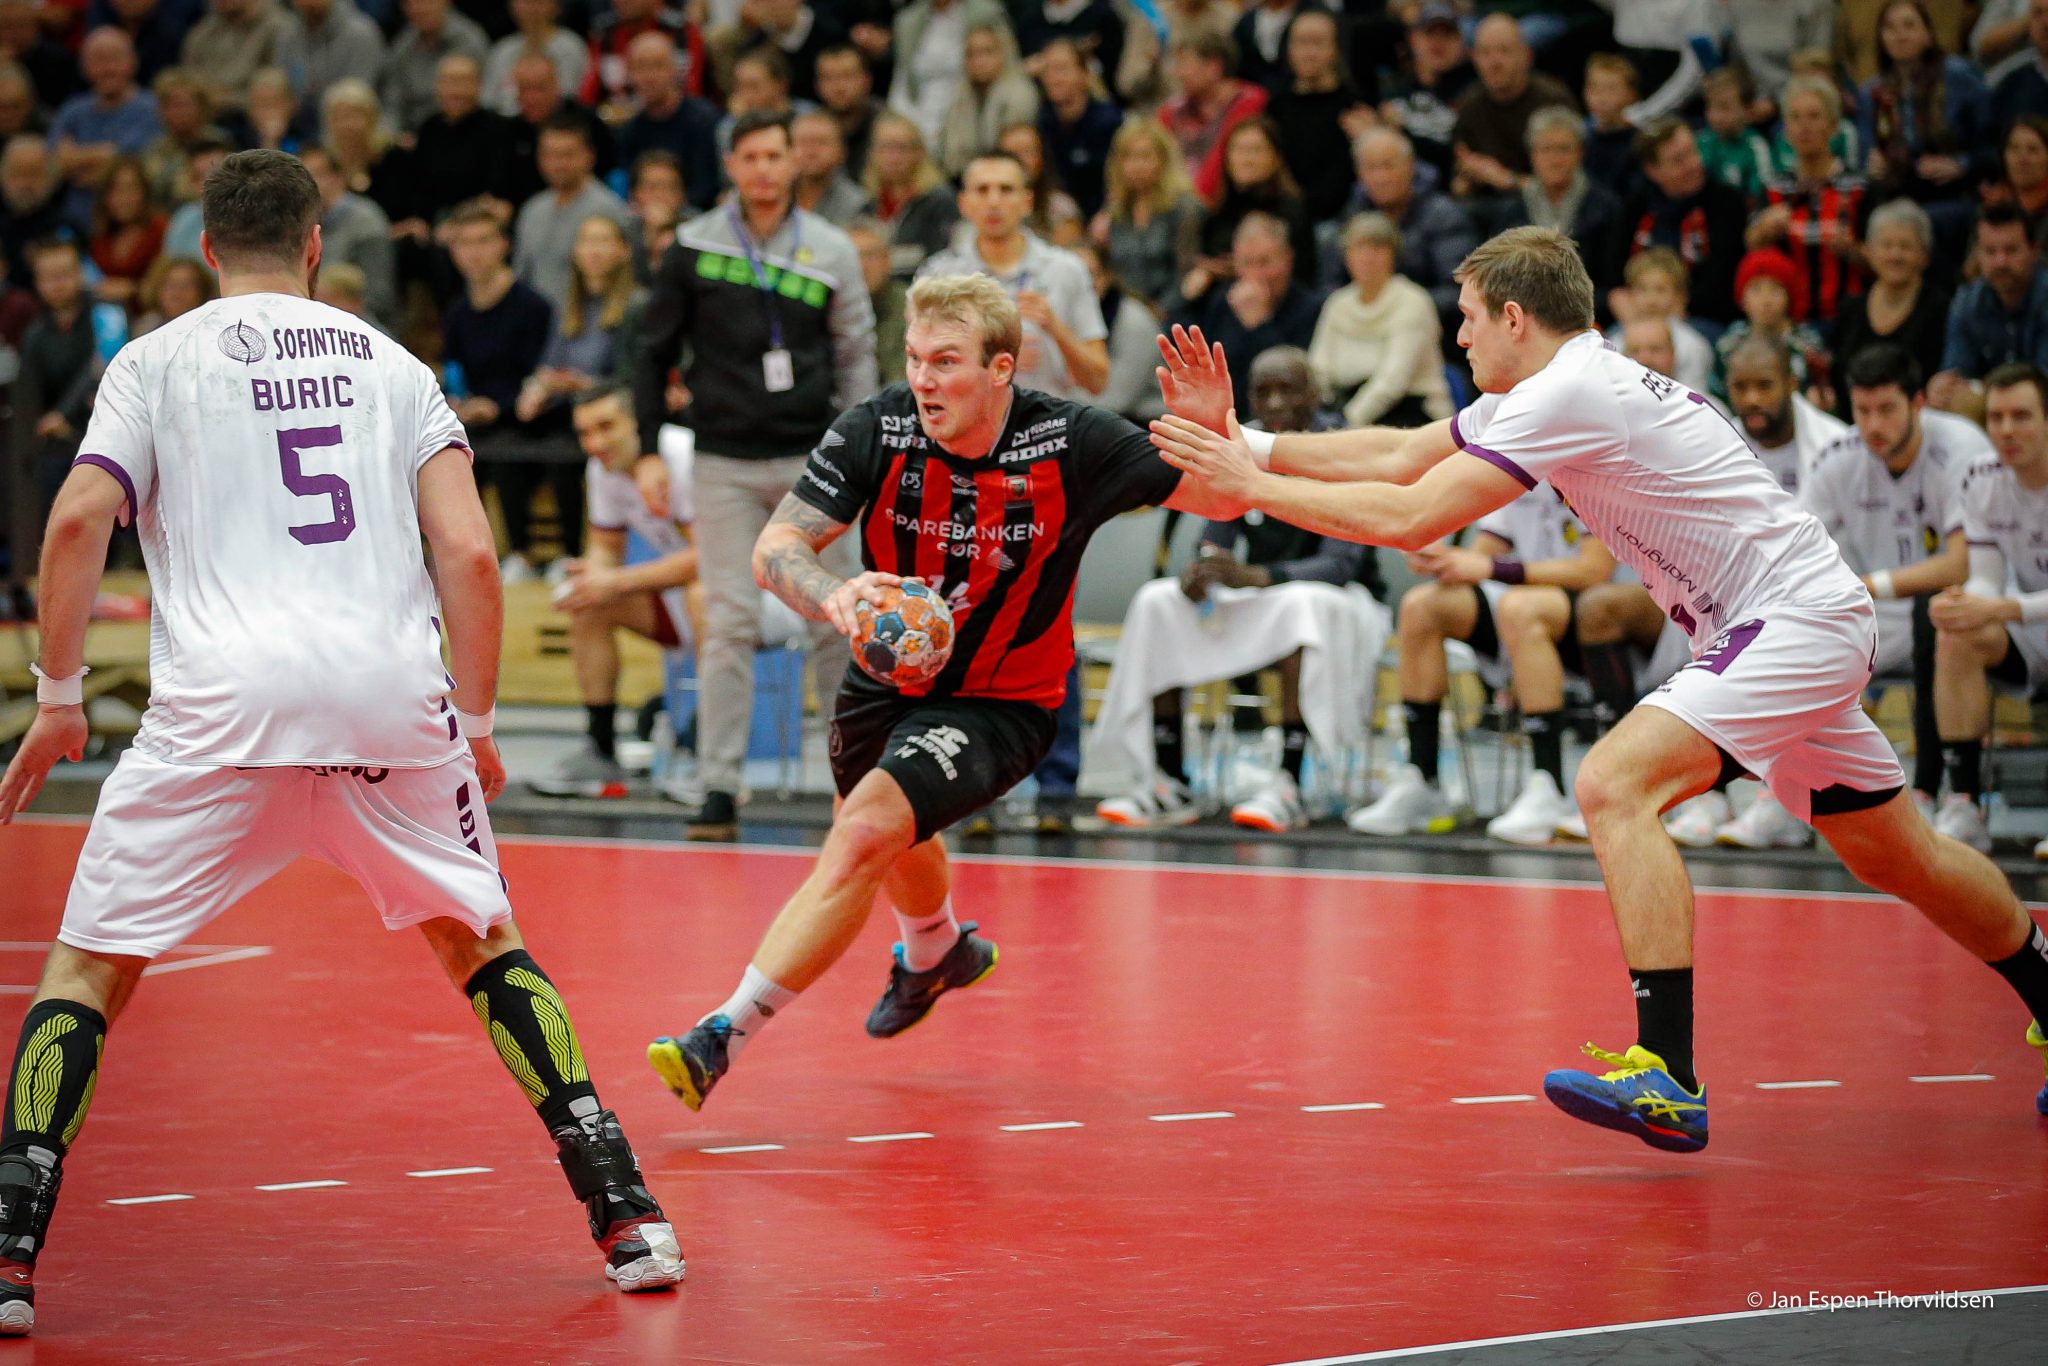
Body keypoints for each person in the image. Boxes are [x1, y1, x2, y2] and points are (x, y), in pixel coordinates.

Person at [1148, 227, 2048, 1150]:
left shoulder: (1570, 391)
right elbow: (1401, 452)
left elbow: (1411, 513)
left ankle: (1670, 1074)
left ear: (1513, 317)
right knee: (1897, 857)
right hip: (1783, 625)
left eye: (1468, 319)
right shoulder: (1560, 384)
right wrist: (1243, 441)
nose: (1459, 338)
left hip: (1793, 621)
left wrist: (1250, 485)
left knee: (1614, 784)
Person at [0, 149, 684, 1340]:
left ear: (205, 247)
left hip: (222, 708)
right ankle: (627, 1215)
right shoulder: (396, 365)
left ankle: (10, 1255)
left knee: (89, 968)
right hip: (384, 699)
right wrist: (473, 724)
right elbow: (470, 556)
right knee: (481, 941)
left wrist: (59, 696)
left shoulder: (154, 361)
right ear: (315, 245)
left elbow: (74, 521)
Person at [643, 273, 1241, 1111]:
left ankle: (719, 1036)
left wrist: (1214, 431)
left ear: (1001, 368)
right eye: (915, 358)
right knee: (890, 833)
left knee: (864, 830)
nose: (924, 379)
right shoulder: (879, 426)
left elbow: (1221, 496)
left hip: (1002, 701)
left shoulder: (1070, 439)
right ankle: (935, 951)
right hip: (884, 681)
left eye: (946, 362)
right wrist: (832, 595)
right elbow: (776, 548)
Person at [632, 109, 874, 839]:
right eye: (751, 156)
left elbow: (855, 353)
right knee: (729, 621)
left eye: (775, 155)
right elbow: (651, 351)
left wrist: (859, 452)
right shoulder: (695, 245)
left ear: (794, 162)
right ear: (731, 164)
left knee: (837, 618)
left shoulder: (831, 248)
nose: (764, 169)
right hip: (723, 461)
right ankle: (719, 787)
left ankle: (856, 784)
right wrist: (648, 447)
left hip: (815, 461)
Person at [1092, 345, 1388, 833]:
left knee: (1304, 607)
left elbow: (1339, 565)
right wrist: (1206, 566)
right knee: (1159, 600)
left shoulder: (1338, 447)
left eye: (1287, 390)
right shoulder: (1239, 443)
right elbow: (1218, 529)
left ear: (1314, 394)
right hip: (1268, 592)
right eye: (1262, 392)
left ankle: (1291, 780)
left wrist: (1254, 577)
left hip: (1343, 599)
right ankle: (1167, 777)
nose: (1274, 403)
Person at [1350, 474, 1615, 846]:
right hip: (1524, 603)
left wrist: (1491, 569)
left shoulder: (1594, 467)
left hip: (1606, 610)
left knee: (1521, 608)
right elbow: (1481, 555)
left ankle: (1549, 785)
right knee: (1422, 606)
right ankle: (1423, 780)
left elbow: (1594, 570)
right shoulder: (1521, 468)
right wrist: (1441, 560)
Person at [1797, 344, 1976, 841]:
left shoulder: (1960, 449)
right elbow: (1794, 548)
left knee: (1933, 611)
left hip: (1958, 609)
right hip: (1874, 613)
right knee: (1795, 629)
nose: (1873, 425)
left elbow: (1961, 563)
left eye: (1887, 409)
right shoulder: (1839, 457)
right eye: (1862, 411)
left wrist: (1869, 584)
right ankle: (1794, 798)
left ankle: (1936, 794)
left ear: (1918, 403)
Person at [530, 384, 704, 800]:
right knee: (590, 603)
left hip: (760, 601)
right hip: (684, 601)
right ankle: (600, 749)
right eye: (585, 433)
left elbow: (713, 559)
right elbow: (605, 548)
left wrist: (615, 581)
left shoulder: (684, 455)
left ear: (638, 423)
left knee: (703, 592)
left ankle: (709, 757)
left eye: (607, 427)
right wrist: (592, 576)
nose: (595, 443)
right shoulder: (602, 469)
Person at [1932, 363, 2048, 860]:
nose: (2006, 430)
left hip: (2026, 615)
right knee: (1956, 633)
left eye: (2021, 416)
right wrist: (1966, 603)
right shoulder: (1982, 476)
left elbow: (2002, 600)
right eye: (1996, 417)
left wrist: (1999, 606)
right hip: (2031, 630)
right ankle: (1964, 805)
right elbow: (1985, 576)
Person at [919, 149, 1106, 401]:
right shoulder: (938, 275)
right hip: (966, 419)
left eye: (1006, 190)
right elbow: (920, 372)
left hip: (1047, 419)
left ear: (1027, 202)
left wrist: (1055, 327)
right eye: (982, 190)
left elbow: (1098, 381)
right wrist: (991, 357)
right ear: (964, 203)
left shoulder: (1066, 270)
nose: (994, 202)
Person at [439, 199, 555, 578]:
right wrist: (459, 402)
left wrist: (498, 406)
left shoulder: (532, 306)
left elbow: (540, 373)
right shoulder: (457, 312)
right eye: (464, 243)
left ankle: (521, 553)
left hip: (527, 415)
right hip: (475, 417)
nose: (474, 252)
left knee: (507, 450)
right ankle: (454, 551)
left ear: (503, 244)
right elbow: (454, 370)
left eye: (483, 241)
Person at [1307, 211, 1451, 429]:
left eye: (1377, 248)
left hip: (1410, 415)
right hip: (1345, 410)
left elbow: (1393, 381)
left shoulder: (1413, 301)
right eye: (1358, 248)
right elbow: (1318, 369)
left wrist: (1344, 425)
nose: (1367, 258)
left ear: (1394, 254)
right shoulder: (1337, 304)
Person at [1170, 211, 1320, 401]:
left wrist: (1260, 325)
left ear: (1287, 258)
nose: (1256, 274)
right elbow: (1181, 351)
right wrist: (1189, 300)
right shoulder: (1223, 302)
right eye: (1247, 263)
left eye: (1265, 262)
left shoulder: (1311, 308)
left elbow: (1294, 379)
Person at [1624, 117, 1749, 325]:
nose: (1693, 164)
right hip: (1640, 314)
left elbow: (1723, 281)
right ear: (1653, 171)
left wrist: (1678, 307)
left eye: (1693, 152)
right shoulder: (1636, 206)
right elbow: (1613, 278)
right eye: (1678, 160)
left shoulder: (1726, 203)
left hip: (1705, 318)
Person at [1931, 202, 2048, 413]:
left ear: (2034, 251)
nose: (2000, 262)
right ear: (1977, 254)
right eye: (1990, 251)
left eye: (2011, 250)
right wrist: (1943, 388)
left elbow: (2043, 385)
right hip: (1989, 411)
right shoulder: (1966, 301)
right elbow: (1955, 375)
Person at [1448, 13, 1576, 200]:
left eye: (1504, 51)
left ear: (1527, 56)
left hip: (1541, 207)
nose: (1494, 62)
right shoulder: (1468, 105)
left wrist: (1506, 179)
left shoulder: (1553, 102)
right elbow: (1458, 187)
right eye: (1485, 52)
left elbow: (1569, 187)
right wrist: (1469, 177)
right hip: (1485, 204)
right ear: (1473, 58)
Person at [1831, 198, 1950, 391]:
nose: (1895, 255)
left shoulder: (1942, 309)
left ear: (1925, 255)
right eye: (1886, 245)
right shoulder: (1850, 309)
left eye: (1905, 246)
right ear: (1868, 251)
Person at [1094, 117, 1202, 310]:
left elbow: (1187, 272)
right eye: (1128, 157)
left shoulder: (1184, 208)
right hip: (1124, 310)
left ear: (1163, 160)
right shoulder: (1115, 212)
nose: (1136, 166)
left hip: (1173, 311)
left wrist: (1159, 310)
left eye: (1145, 156)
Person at [612, 32, 720, 216]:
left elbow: (707, 189)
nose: (649, 76)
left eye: (658, 66)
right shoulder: (628, 132)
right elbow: (628, 190)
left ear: (675, 70)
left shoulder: (704, 121)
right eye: (640, 67)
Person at [1157, 29, 1267, 207]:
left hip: (1226, 206)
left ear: (1213, 67)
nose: (1178, 73)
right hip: (1175, 205)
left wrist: (1193, 205)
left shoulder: (1249, 101)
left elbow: (1220, 158)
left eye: (1185, 64)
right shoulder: (1171, 110)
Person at [859, 110, 957, 277]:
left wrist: (885, 260)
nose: (893, 158)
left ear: (919, 153)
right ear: (872, 153)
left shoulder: (939, 201)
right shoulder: (867, 204)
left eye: (901, 148)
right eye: (885, 147)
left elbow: (942, 257)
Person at [935, 19, 1035, 177]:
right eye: (971, 54)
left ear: (1004, 53)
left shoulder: (1020, 94)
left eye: (987, 52)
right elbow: (949, 155)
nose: (978, 61)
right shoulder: (959, 97)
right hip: (962, 176)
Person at [276, 0, 386, 112]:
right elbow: (280, 89)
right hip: (295, 118)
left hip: (345, 118)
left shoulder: (361, 35)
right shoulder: (288, 34)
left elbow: (357, 103)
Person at [790, 108, 865, 224]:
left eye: (822, 142)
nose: (811, 151)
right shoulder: (772, 195)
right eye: (803, 142)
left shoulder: (857, 203)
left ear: (842, 152)